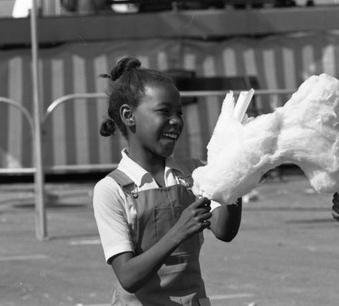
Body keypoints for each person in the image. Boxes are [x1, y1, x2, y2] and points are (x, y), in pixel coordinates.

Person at [93, 57, 242, 306]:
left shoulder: (194, 172)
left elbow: (224, 230)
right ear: (129, 116)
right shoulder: (111, 190)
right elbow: (128, 276)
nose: (177, 120)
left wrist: (238, 177)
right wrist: (179, 231)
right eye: (164, 111)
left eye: (179, 112)